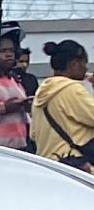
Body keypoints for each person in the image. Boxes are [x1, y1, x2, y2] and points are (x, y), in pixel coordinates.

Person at [33, 39, 94, 169]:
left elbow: (33, 134)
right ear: (74, 64)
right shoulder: (72, 89)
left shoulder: (42, 91)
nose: (86, 68)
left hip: (48, 163)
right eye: (84, 63)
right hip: (75, 164)